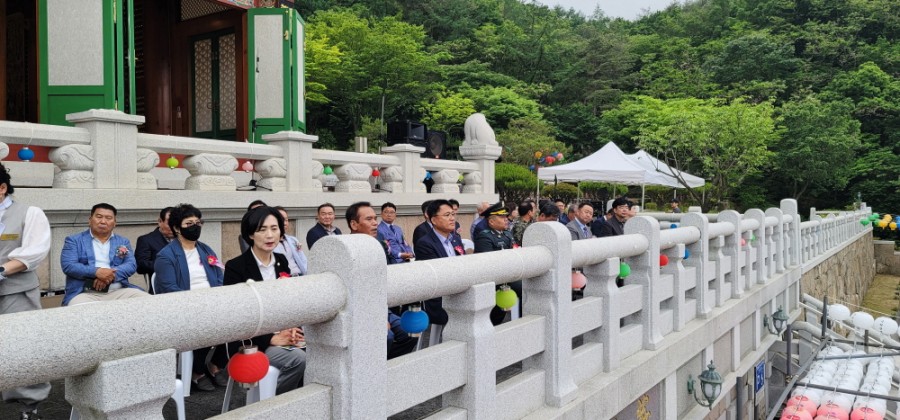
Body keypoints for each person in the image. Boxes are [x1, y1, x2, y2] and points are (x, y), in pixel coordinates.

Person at [224, 206, 306, 395]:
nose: (270, 235)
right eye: (262, 230)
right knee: (298, 359)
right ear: (250, 234)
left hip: (281, 334)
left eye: (274, 229)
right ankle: (268, 402)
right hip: (253, 342)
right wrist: (270, 338)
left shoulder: (281, 261)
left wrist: (292, 328)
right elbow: (236, 316)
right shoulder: (236, 267)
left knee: (318, 351)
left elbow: (287, 303)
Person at [153, 204, 228, 391]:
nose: (195, 227)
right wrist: (199, 303)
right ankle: (197, 371)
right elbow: (170, 289)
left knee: (237, 320)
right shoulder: (166, 256)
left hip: (212, 301)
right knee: (207, 322)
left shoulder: (206, 250)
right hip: (184, 305)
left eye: (198, 222)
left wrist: (217, 297)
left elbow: (219, 277)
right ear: (177, 228)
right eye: (189, 223)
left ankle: (215, 364)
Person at [0, 162, 52, 420]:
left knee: (22, 347)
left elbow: (34, 252)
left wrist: (2, 270)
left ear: (2, 188)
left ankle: (29, 409)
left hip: (16, 291)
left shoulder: (30, 213)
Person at [345, 201, 418, 359]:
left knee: (411, 332)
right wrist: (377, 317)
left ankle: (385, 365)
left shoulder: (377, 245)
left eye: (375, 218)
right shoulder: (345, 250)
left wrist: (382, 314)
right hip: (358, 311)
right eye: (369, 219)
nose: (375, 223)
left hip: (381, 307)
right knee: (386, 336)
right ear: (354, 224)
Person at [61, 203, 147, 306]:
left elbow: (130, 265)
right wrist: (96, 272)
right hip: (85, 293)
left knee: (148, 302)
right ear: (90, 220)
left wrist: (109, 276)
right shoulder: (74, 240)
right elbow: (69, 266)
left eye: (108, 218)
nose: (103, 221)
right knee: (82, 310)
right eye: (99, 217)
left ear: (114, 223)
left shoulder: (122, 242)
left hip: (118, 291)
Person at [414, 199, 465, 337]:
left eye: (453, 214)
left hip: (458, 290)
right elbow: (436, 277)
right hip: (440, 299)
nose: (452, 218)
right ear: (434, 220)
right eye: (447, 215)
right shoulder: (425, 243)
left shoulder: (455, 239)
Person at [473, 203, 522, 326]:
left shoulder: (507, 234)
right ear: (491, 221)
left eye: (506, 216)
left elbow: (515, 253)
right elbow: (487, 264)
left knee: (528, 287)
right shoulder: (484, 237)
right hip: (494, 281)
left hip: (508, 276)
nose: (506, 219)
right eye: (502, 217)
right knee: (523, 288)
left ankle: (523, 321)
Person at [134, 207, 175, 292]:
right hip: (161, 287)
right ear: (160, 222)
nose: (173, 227)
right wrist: (167, 264)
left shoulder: (185, 239)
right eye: (169, 223)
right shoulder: (146, 240)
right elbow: (140, 266)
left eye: (176, 223)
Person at [273, 206, 307, 276]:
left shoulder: (293, 240)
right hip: (283, 278)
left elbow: (303, 260)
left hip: (299, 275)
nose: (285, 223)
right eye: (281, 219)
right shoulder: (269, 243)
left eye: (286, 220)